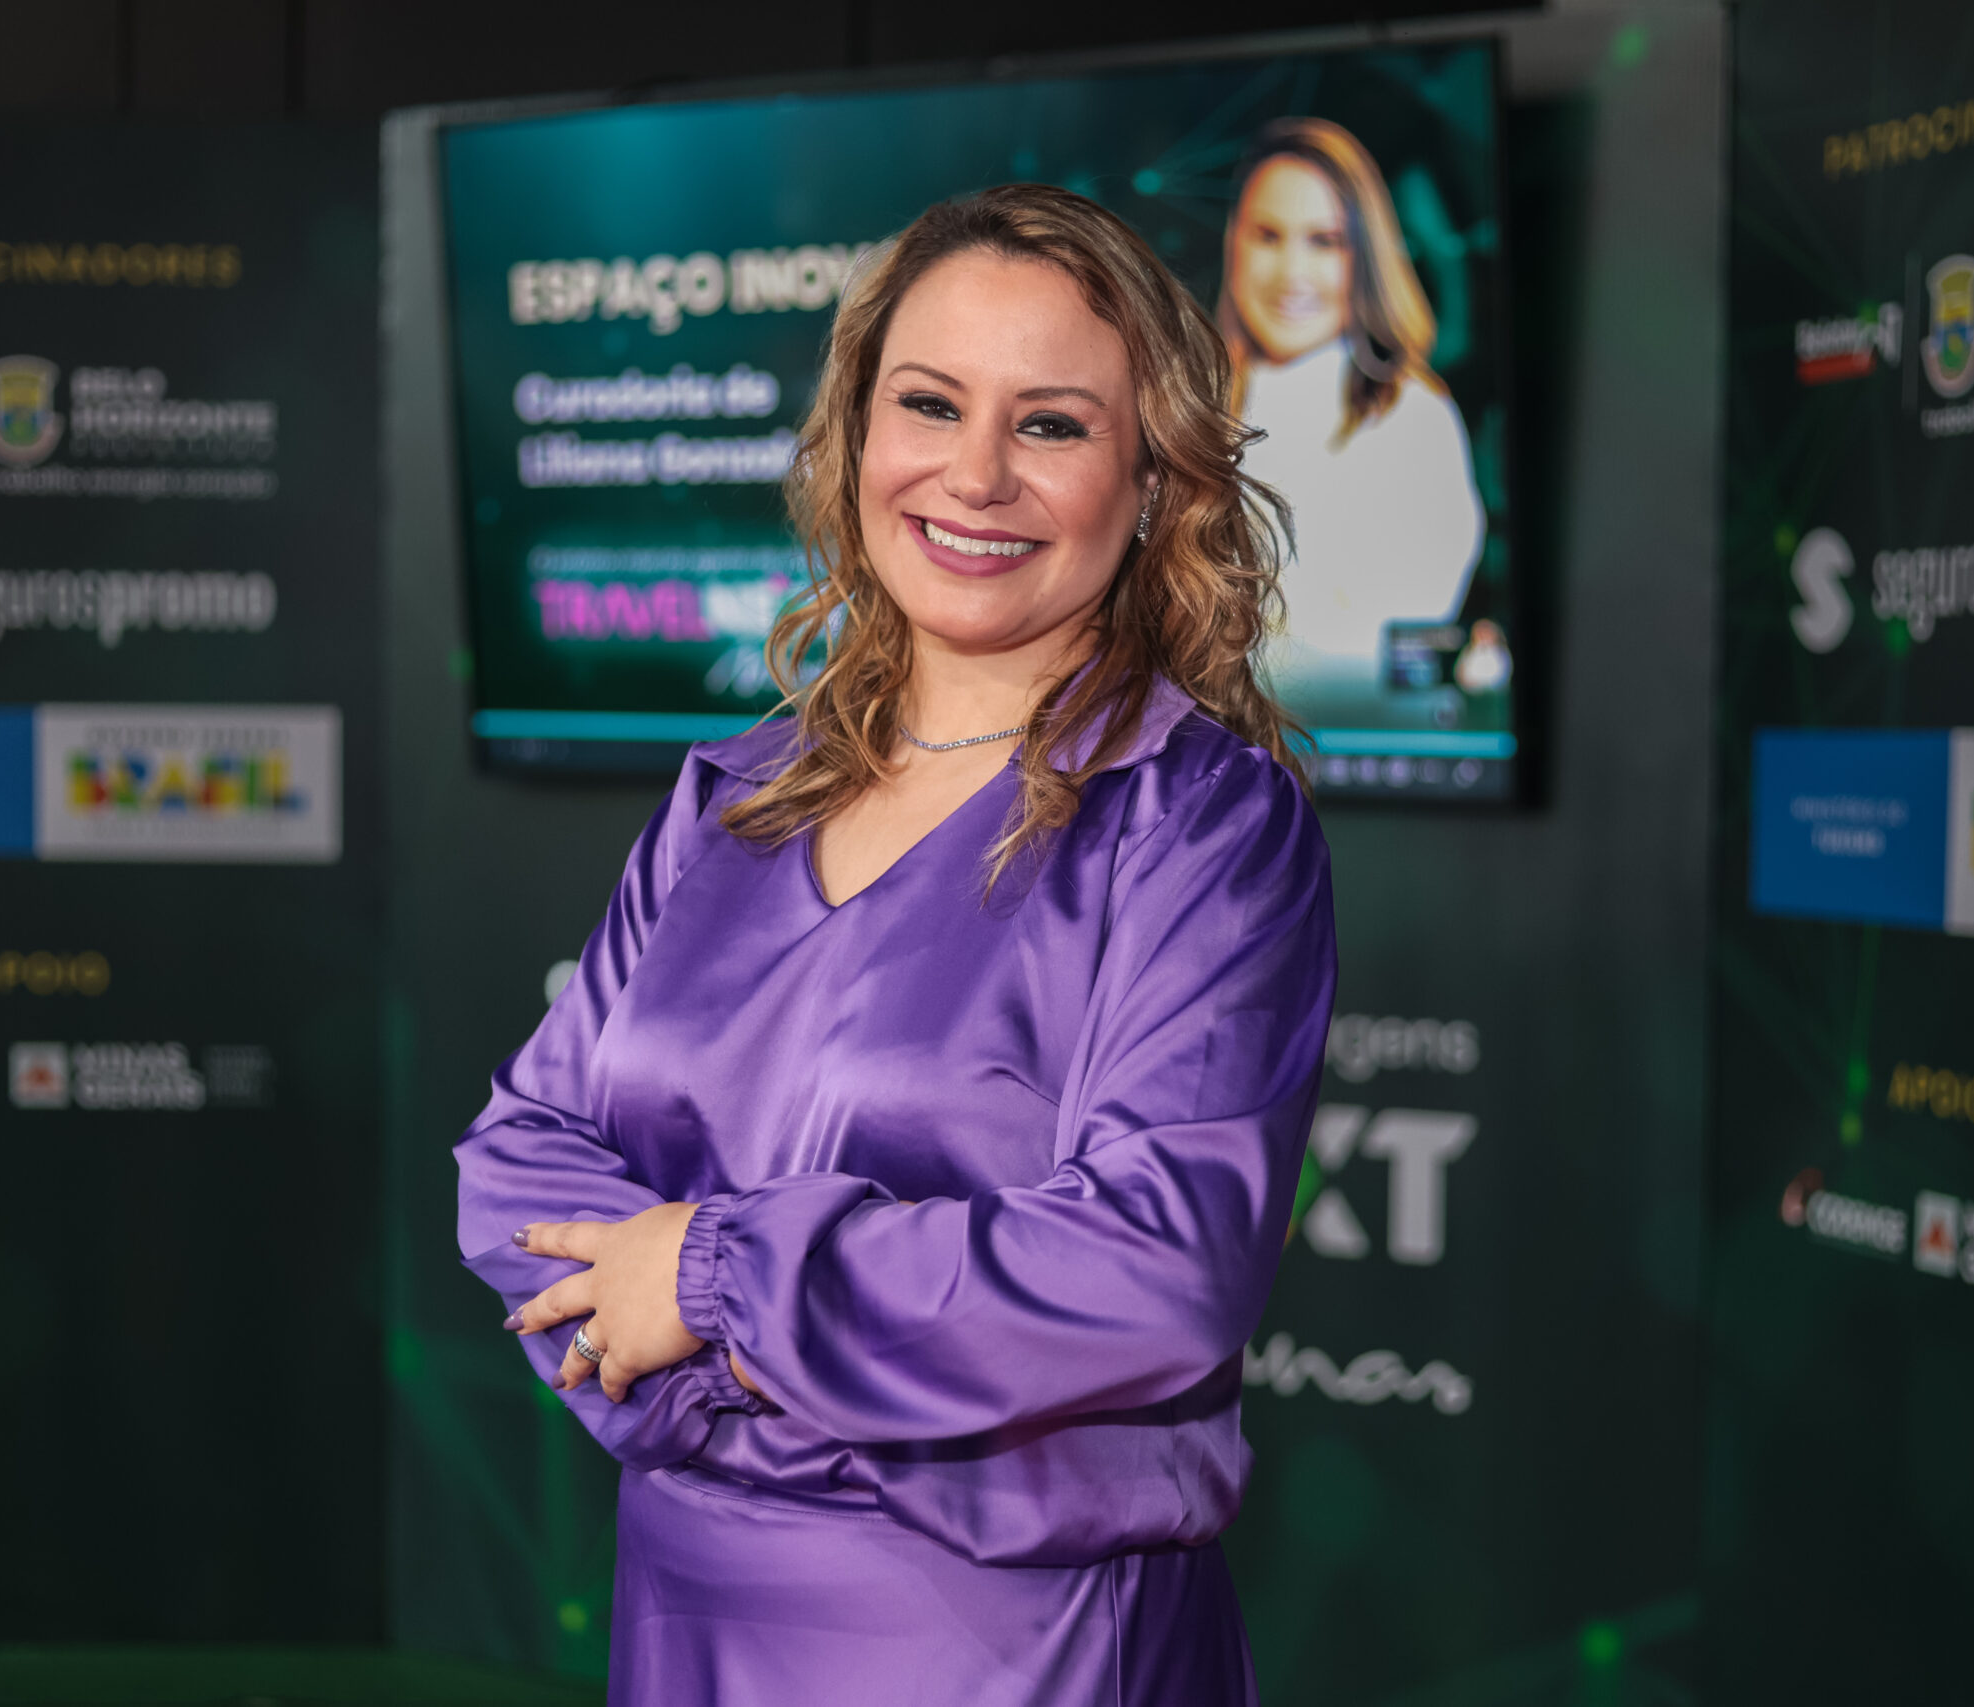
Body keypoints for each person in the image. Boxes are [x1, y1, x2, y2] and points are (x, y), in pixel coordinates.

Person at [455, 183, 1336, 1704]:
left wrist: (716, 1286)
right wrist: (741, 1378)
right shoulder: (732, 793)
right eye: (930, 404)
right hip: (685, 1603)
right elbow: (519, 1160)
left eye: (1050, 425)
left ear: (1151, 477)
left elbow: (1155, 1267)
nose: (974, 474)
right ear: (856, 431)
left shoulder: (1202, 823)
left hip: (1012, 1642)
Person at [1220, 116, 1485, 721]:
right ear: (1235, 242)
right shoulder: (1183, 405)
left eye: (1324, 241)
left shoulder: (1414, 418)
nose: (1291, 273)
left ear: (1364, 257)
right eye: (1268, 235)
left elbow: (1378, 649)